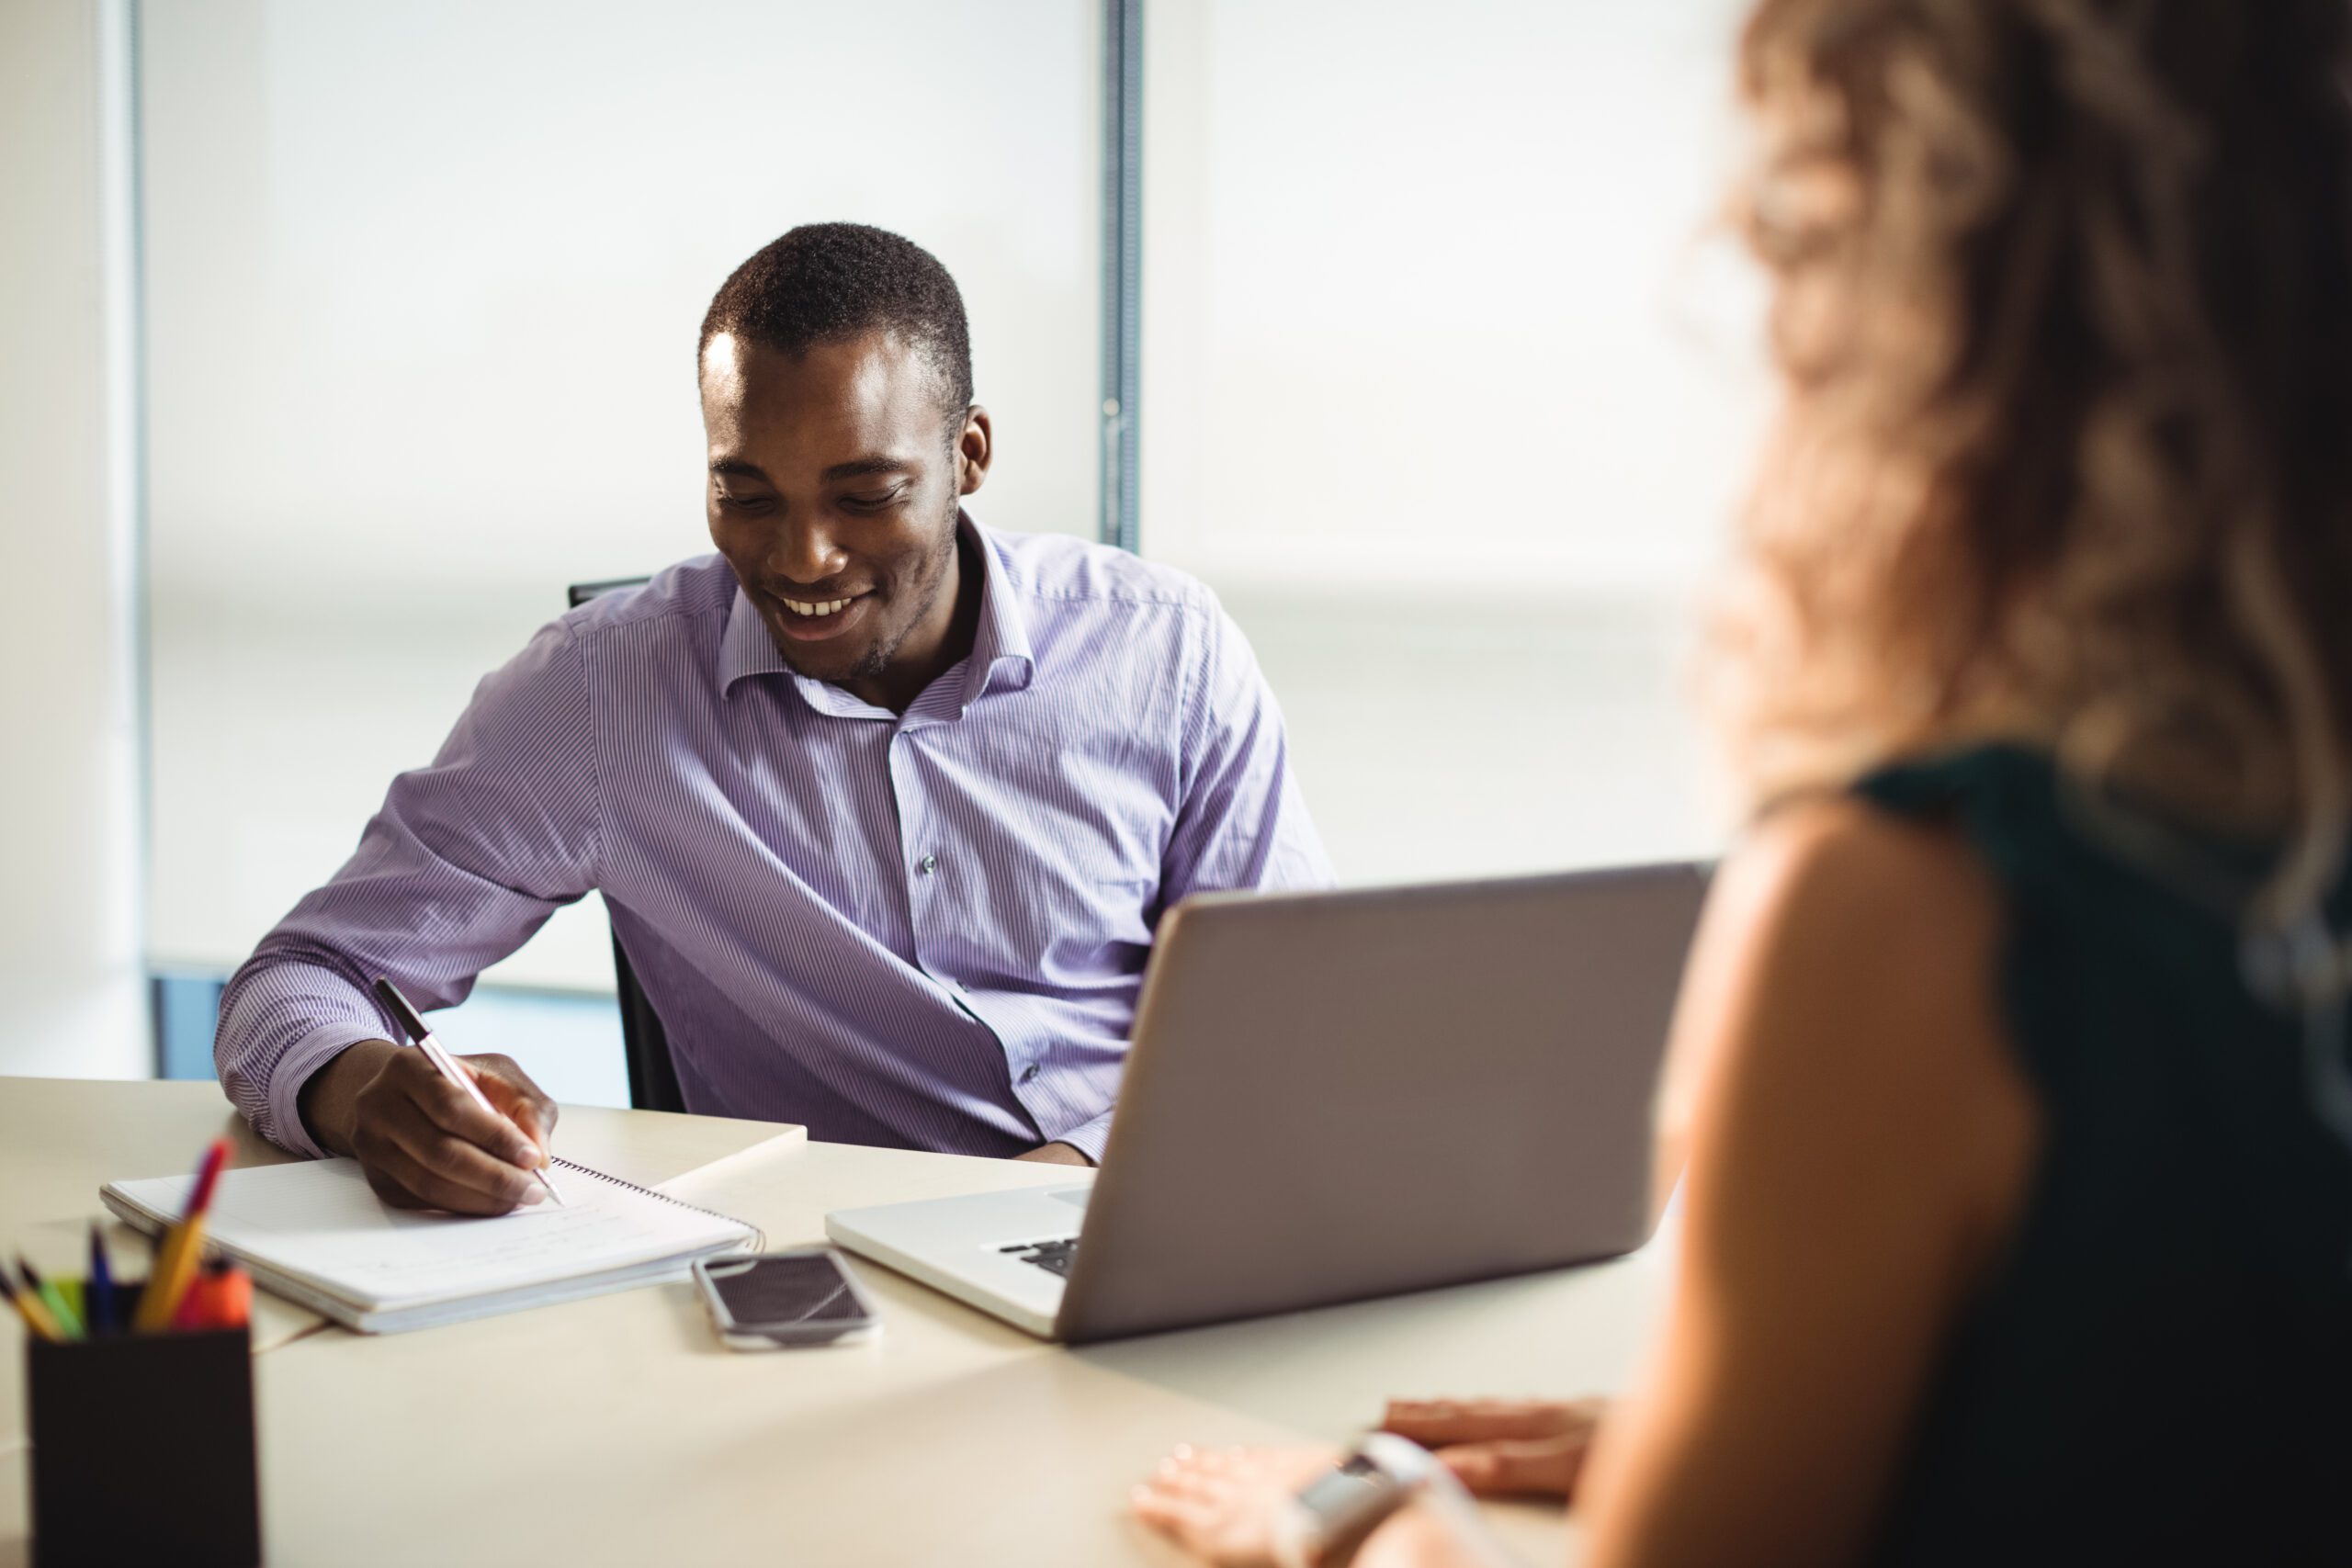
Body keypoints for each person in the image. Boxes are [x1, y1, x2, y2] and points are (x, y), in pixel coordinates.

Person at [1136, 0, 2352, 1562]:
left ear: (1934, 321)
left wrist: (1360, 1525)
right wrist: (1740, 1432)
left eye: (1798, 226)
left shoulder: (1913, 912)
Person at [214, 223, 1330, 1215]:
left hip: (1160, 1213)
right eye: (747, 496)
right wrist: (362, 1092)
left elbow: (1290, 1020)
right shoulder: (603, 694)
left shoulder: (1163, 649)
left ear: (968, 457)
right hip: (838, 1285)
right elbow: (298, 979)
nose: (802, 560)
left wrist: (1067, 1180)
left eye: (864, 495)